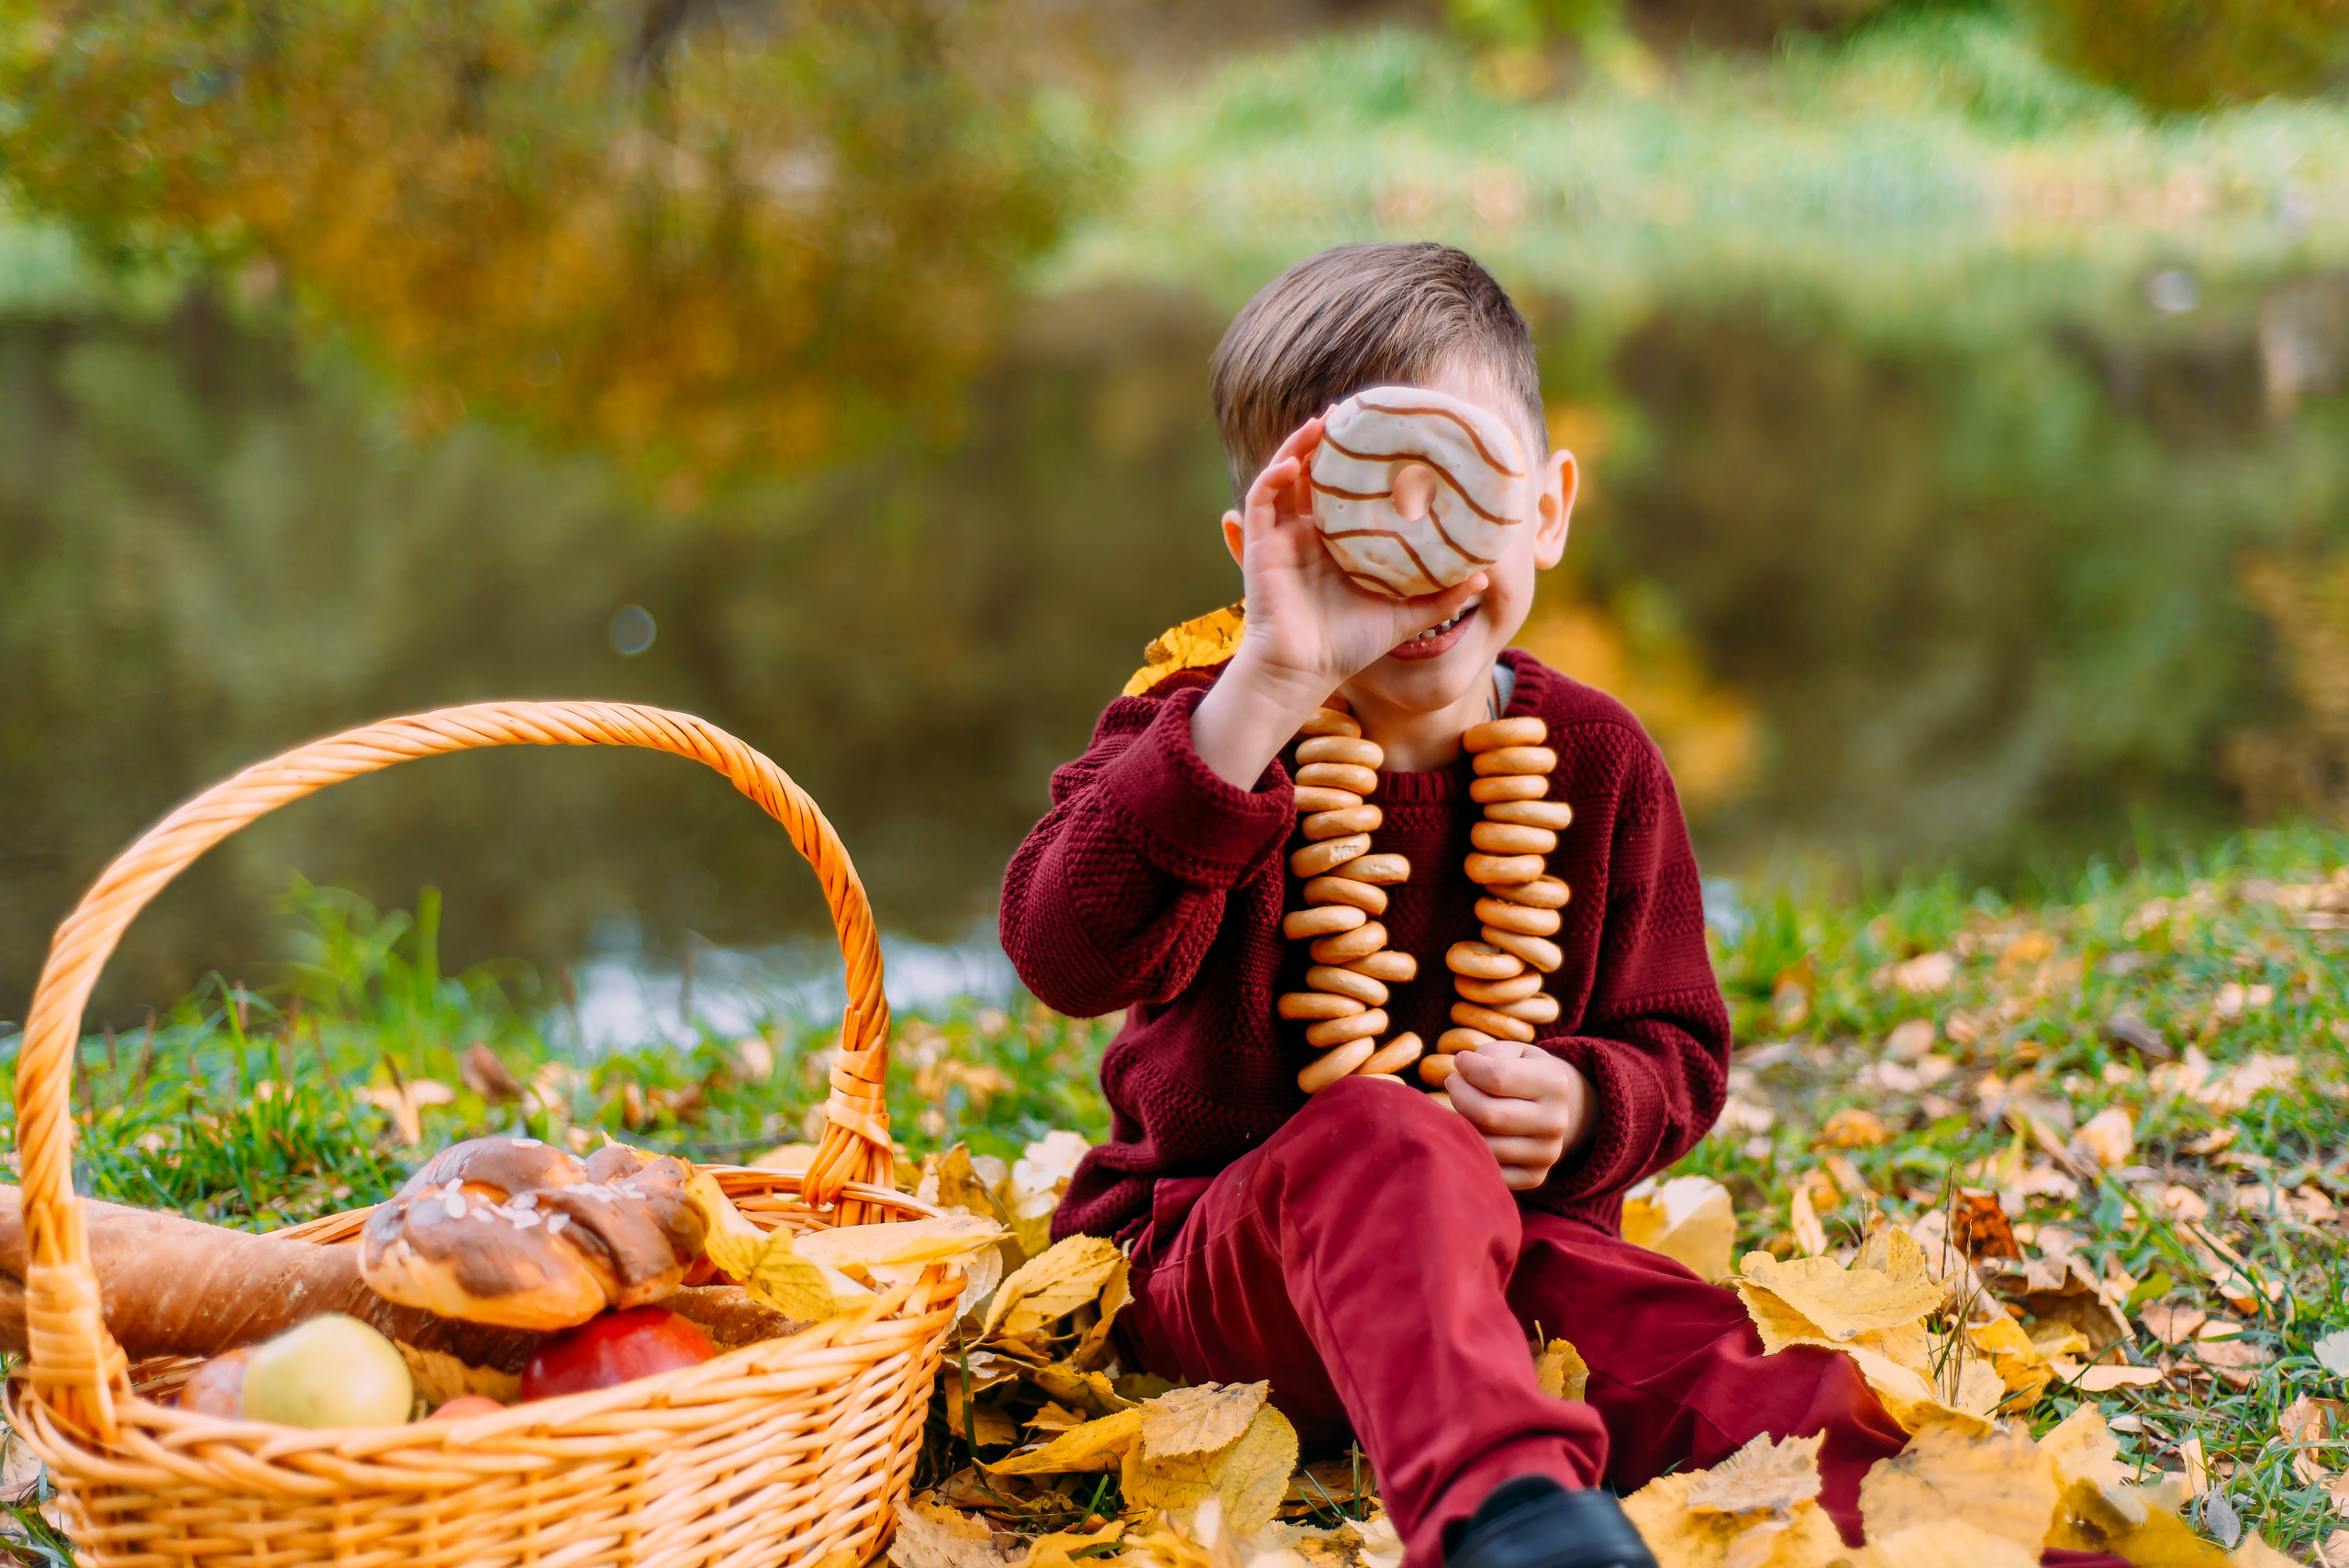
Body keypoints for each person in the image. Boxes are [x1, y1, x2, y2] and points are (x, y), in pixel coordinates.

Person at [997, 242, 2121, 1568]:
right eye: (1355, 518)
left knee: (1695, 1347)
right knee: (1385, 1144)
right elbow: (1060, 949)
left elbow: (1678, 1048)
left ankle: (1974, 1539)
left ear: (1542, 509)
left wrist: (1588, 1103)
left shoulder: (1598, 759)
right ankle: (1510, 1523)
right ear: (1261, 550)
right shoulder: (1200, 730)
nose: (1415, 557)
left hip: (1514, 1257)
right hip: (1222, 1271)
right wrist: (1266, 685)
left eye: (1461, 496)